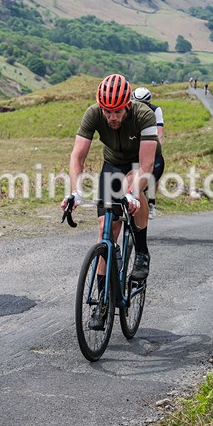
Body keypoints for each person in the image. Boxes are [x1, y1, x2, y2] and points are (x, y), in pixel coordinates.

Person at [62, 74, 159, 286]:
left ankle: (141, 252)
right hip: (114, 163)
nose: (112, 117)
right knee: (106, 228)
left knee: (131, 187)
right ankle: (101, 301)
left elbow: (146, 166)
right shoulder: (93, 113)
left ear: (128, 106)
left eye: (117, 111)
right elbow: (77, 156)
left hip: (142, 162)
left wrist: (132, 193)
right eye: (107, 111)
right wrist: (76, 192)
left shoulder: (144, 115)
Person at [133, 87, 164, 219]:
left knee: (153, 169)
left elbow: (159, 133)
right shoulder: (130, 110)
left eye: (144, 104)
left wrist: (155, 150)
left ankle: (152, 202)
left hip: (150, 144)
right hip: (134, 144)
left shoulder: (156, 110)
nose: (140, 107)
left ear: (149, 103)